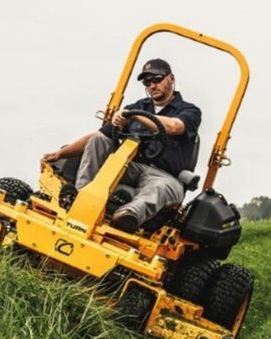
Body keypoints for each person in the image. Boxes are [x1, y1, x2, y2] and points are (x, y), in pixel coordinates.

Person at [42, 59, 201, 233]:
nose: (152, 85)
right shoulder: (137, 106)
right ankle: (81, 197)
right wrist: (60, 154)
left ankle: (127, 217)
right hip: (130, 167)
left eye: (157, 79)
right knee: (99, 139)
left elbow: (174, 126)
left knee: (161, 188)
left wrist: (133, 116)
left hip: (164, 177)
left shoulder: (189, 111)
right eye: (147, 82)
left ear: (171, 78)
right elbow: (99, 135)